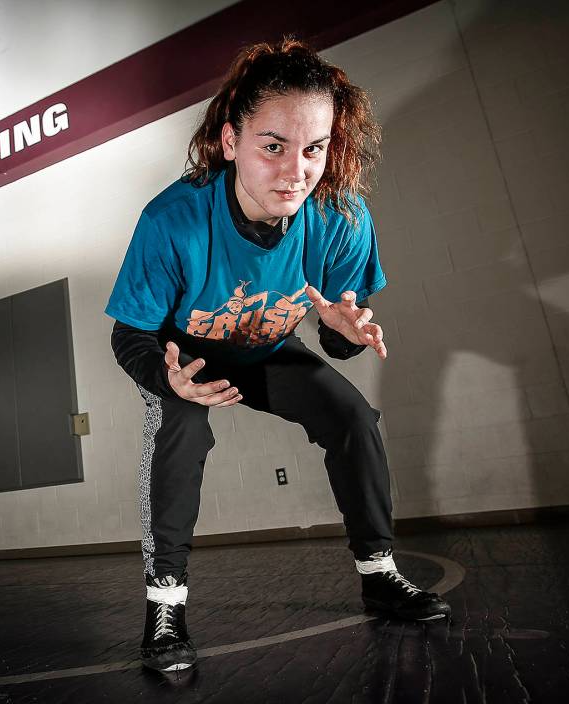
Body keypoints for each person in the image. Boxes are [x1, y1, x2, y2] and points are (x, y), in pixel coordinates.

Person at [105, 37, 450, 674]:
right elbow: (130, 334)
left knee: (354, 418)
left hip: (268, 346)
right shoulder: (173, 220)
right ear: (230, 141)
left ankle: (379, 575)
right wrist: (166, 378)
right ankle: (165, 607)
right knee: (180, 430)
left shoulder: (343, 219)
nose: (296, 170)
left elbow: (336, 346)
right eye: (273, 146)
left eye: (313, 148)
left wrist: (345, 332)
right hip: (190, 355)